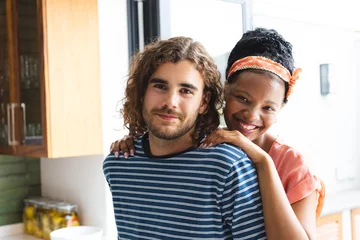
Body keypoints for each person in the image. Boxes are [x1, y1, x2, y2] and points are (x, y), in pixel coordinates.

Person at [110, 28, 325, 239]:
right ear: (225, 92)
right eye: (243, 99)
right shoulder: (216, 141)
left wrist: (263, 161)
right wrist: (134, 140)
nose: (251, 116)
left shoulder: (290, 166)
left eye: (268, 108)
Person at [103, 36, 267, 239]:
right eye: (160, 86)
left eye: (186, 91)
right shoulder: (118, 165)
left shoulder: (228, 168)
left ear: (204, 102)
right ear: (142, 92)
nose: (170, 102)